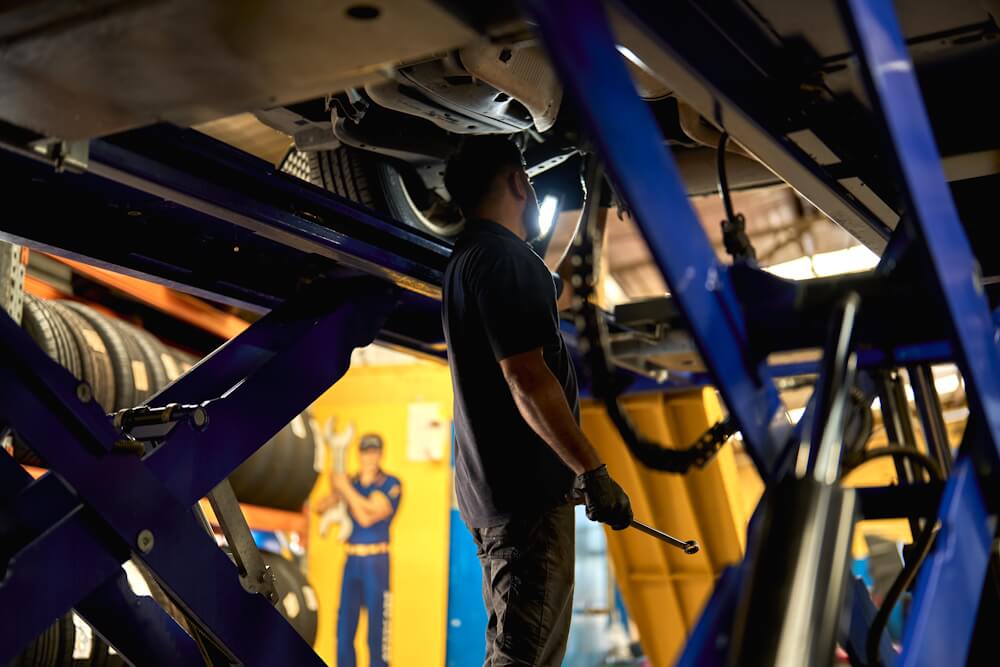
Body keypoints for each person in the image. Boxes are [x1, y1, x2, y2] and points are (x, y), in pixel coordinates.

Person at [441, 136, 633, 666]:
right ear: (518, 183)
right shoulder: (507, 261)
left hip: (492, 500)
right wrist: (592, 470)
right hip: (526, 508)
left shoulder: (468, 260)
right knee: (524, 660)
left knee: (513, 651)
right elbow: (527, 379)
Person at [315, 433, 401, 667]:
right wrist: (337, 486)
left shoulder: (392, 484)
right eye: (365, 451)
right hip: (352, 561)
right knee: (344, 631)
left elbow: (367, 517)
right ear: (359, 453)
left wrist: (345, 489)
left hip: (377, 562)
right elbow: (320, 507)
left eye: (374, 451)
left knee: (377, 633)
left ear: (381, 454)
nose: (369, 457)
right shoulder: (350, 481)